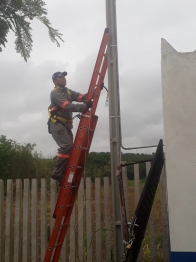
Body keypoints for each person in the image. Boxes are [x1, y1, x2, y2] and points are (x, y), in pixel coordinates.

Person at [48, 71, 92, 185]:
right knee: (67, 146)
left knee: (70, 150)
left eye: (64, 77)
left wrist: (95, 92)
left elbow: (81, 96)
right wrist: (84, 107)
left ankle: (62, 177)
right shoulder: (55, 93)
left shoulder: (67, 91)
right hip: (57, 124)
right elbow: (67, 106)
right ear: (55, 81)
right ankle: (57, 173)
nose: (63, 78)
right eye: (60, 77)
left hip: (66, 125)